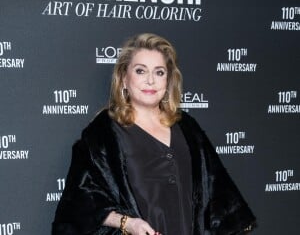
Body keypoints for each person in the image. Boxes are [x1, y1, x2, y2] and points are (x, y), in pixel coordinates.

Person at [52, 33, 256, 235]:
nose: (150, 80)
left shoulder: (187, 127)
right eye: (141, 71)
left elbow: (218, 194)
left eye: (159, 72)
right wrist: (128, 223)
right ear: (124, 79)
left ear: (168, 81)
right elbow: (80, 202)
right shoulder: (103, 133)